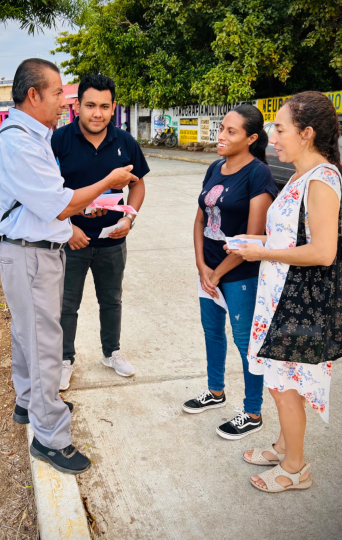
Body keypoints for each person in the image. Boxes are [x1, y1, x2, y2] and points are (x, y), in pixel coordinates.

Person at [0, 59, 138, 474]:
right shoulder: (20, 142)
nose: (64, 102)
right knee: (44, 343)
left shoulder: (29, 137)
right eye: (58, 93)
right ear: (33, 95)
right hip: (31, 254)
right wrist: (107, 183)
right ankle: (51, 437)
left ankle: (29, 402)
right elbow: (61, 204)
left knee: (29, 337)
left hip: (32, 250)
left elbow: (54, 201)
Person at [233, 92, 342, 492]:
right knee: (282, 379)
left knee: (283, 385)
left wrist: (261, 250)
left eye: (280, 129)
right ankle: (283, 445)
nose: (272, 137)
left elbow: (323, 251)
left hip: (296, 303)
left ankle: (295, 469)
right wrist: (256, 238)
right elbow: (291, 235)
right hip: (279, 295)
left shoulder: (322, 179)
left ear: (307, 133)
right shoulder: (299, 175)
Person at [183, 105, 278, 440]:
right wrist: (201, 266)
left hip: (240, 276)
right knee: (212, 333)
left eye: (231, 131)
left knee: (245, 342)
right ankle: (215, 391)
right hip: (209, 270)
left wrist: (218, 273)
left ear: (251, 138)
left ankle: (252, 411)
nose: (221, 136)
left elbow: (252, 236)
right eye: (221, 128)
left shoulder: (258, 174)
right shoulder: (213, 167)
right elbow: (200, 219)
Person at [51, 74, 149, 391]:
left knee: (111, 300)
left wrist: (129, 219)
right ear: (77, 105)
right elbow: (47, 194)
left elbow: (139, 185)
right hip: (71, 242)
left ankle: (112, 353)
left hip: (111, 241)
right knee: (66, 305)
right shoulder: (59, 141)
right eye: (90, 105)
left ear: (113, 107)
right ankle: (65, 360)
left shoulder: (125, 143)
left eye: (104, 106)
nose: (97, 113)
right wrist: (67, 229)